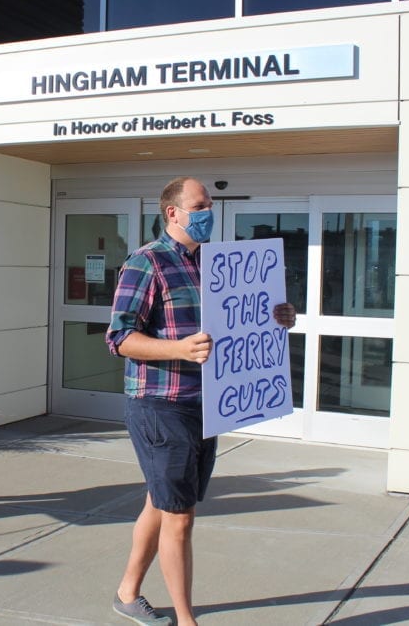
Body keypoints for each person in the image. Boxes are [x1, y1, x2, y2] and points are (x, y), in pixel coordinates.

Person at [105, 177, 296, 626]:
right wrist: (179, 349)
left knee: (164, 499)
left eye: (209, 205)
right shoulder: (146, 263)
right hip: (160, 404)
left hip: (204, 403)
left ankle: (127, 593)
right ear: (173, 212)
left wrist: (278, 317)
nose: (208, 212)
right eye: (200, 205)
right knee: (180, 515)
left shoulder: (216, 264)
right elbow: (119, 338)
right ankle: (187, 621)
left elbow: (235, 322)